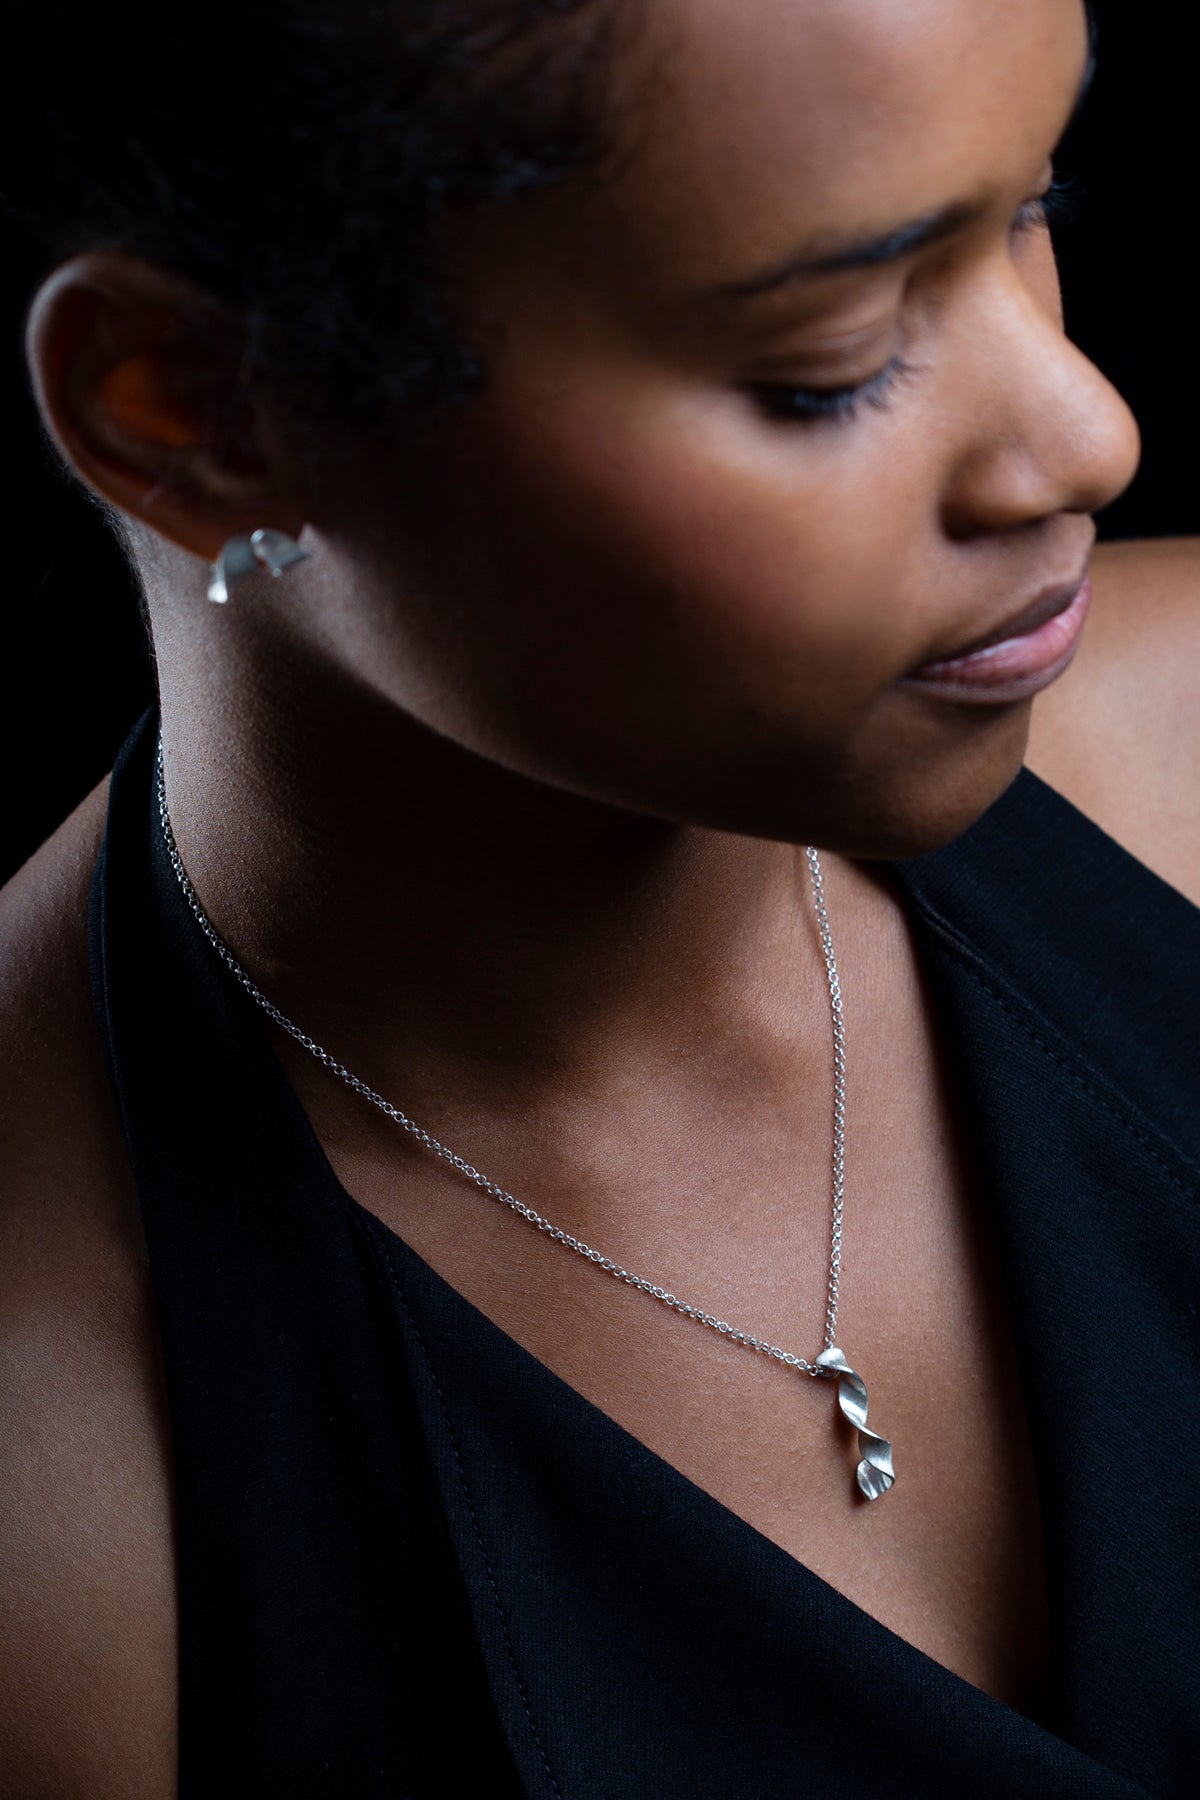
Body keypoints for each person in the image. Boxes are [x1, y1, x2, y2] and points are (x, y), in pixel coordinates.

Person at [1, 0, 1197, 1793]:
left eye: (1031, 211)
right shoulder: (57, 1491)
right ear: (198, 414)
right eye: (833, 359)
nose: (1085, 436)